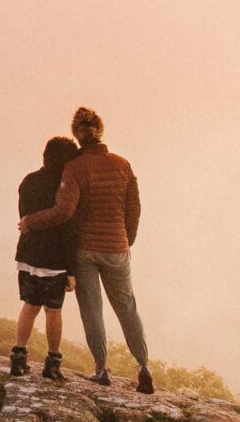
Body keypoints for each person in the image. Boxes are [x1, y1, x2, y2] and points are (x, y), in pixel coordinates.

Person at [17, 106, 155, 393]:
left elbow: (63, 211)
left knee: (92, 310)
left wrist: (30, 221)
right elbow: (134, 208)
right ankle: (144, 367)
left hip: (85, 250)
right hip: (117, 247)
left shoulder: (75, 167)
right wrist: (126, 239)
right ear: (100, 131)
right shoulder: (123, 164)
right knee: (127, 307)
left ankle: (101, 370)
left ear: (77, 134)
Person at [12, 135, 80, 378]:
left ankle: (18, 358)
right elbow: (68, 230)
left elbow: (24, 217)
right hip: (54, 259)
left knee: (30, 306)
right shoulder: (64, 188)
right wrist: (72, 270)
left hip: (28, 254)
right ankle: (52, 363)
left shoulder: (29, 180)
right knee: (53, 310)